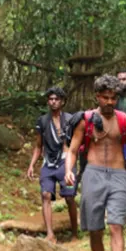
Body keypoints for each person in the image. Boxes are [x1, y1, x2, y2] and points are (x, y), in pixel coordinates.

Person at [65, 74, 126, 251]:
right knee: (95, 229)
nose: (110, 102)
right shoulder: (86, 120)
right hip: (93, 174)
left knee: (116, 225)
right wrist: (69, 171)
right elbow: (72, 149)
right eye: (105, 98)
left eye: (113, 98)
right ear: (97, 96)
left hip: (119, 175)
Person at [26, 87, 79, 243]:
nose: (53, 102)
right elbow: (38, 145)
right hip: (48, 162)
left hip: (66, 161)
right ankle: (50, 234)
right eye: (51, 99)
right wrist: (31, 165)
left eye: (56, 99)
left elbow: (75, 145)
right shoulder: (42, 121)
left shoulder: (70, 119)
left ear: (62, 101)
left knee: (69, 197)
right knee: (45, 195)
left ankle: (75, 232)